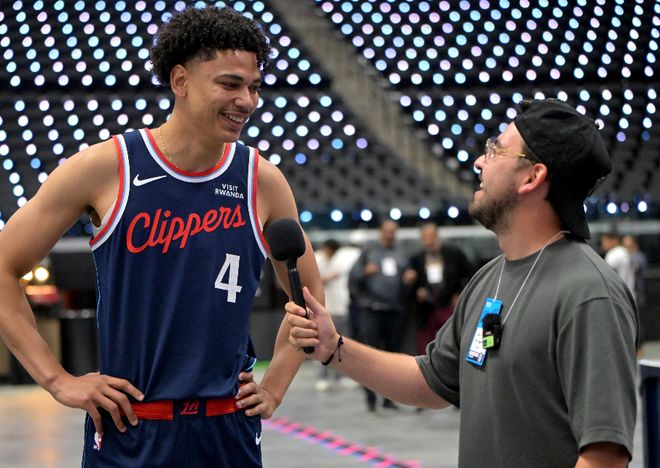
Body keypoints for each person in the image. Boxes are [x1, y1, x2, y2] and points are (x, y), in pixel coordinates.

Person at [0, 6, 323, 467]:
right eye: (230, 84)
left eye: (254, 87)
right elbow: (4, 267)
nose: (247, 101)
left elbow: (308, 299)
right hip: (131, 429)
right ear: (180, 80)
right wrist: (57, 380)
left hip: (227, 430)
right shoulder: (107, 166)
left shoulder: (262, 181)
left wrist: (274, 386)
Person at [286, 98, 637, 467]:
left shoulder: (589, 294)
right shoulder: (489, 278)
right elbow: (430, 382)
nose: (480, 161)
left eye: (496, 150)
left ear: (532, 178)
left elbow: (605, 457)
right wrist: (333, 347)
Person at [348, 219, 411, 412]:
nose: (390, 234)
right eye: (387, 231)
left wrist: (409, 279)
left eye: (393, 231)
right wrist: (365, 273)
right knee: (369, 355)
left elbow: (407, 278)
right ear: (380, 231)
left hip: (395, 310)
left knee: (393, 357)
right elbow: (353, 277)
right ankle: (370, 398)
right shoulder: (369, 251)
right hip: (372, 310)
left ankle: (389, 398)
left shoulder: (401, 252)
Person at [404, 223, 472, 356]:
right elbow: (410, 287)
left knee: (453, 341)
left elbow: (469, 275)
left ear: (437, 237)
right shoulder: (416, 259)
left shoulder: (454, 254)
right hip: (426, 309)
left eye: (431, 237)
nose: (429, 242)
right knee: (425, 346)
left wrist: (460, 293)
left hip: (449, 305)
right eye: (425, 238)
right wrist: (414, 288)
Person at [313, 239, 360, 392]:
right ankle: (322, 377)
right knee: (320, 343)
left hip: (340, 307)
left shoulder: (338, 260)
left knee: (341, 342)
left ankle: (342, 375)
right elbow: (311, 282)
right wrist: (330, 277)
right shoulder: (316, 259)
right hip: (323, 308)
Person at [600, 231, 636, 300]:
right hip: (628, 295)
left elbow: (606, 278)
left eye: (605, 240)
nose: (603, 243)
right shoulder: (623, 251)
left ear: (614, 240)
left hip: (619, 296)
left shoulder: (614, 254)